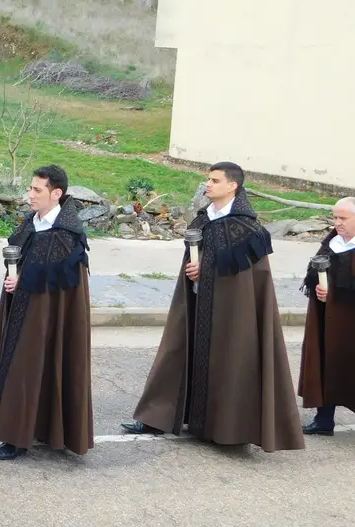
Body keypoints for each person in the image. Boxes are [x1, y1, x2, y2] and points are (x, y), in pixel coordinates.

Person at [121, 162, 304, 452]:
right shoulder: (204, 219)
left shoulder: (247, 228)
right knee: (177, 349)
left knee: (228, 359)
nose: (208, 185)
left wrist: (207, 268)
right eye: (208, 179)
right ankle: (158, 416)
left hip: (230, 311)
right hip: (196, 299)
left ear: (233, 186)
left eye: (215, 180)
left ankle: (225, 426)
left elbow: (252, 280)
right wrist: (197, 271)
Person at [0, 165, 93, 460]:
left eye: (37, 190)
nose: (29, 194)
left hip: (48, 316)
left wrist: (25, 280)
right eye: (30, 188)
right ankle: (16, 428)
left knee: (29, 367)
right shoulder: (31, 223)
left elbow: (63, 279)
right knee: (19, 365)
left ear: (56, 193)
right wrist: (14, 277)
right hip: (22, 306)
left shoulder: (67, 233)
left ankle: (18, 436)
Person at [298, 196, 355, 435]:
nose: (338, 223)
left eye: (344, 218)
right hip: (328, 318)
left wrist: (334, 292)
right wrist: (319, 287)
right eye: (335, 217)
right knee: (324, 361)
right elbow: (315, 271)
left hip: (350, 322)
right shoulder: (332, 242)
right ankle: (324, 420)